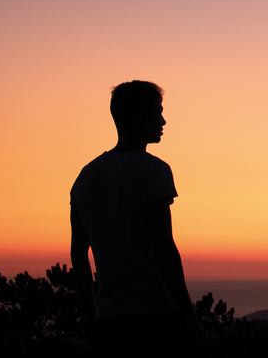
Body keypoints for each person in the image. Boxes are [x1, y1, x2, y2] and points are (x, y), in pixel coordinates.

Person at [70, 81, 201, 353]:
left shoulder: (86, 176)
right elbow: (164, 249)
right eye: (158, 112)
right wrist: (190, 318)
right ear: (142, 119)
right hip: (155, 315)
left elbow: (79, 253)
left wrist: (88, 314)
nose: (163, 120)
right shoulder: (154, 171)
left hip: (109, 321)